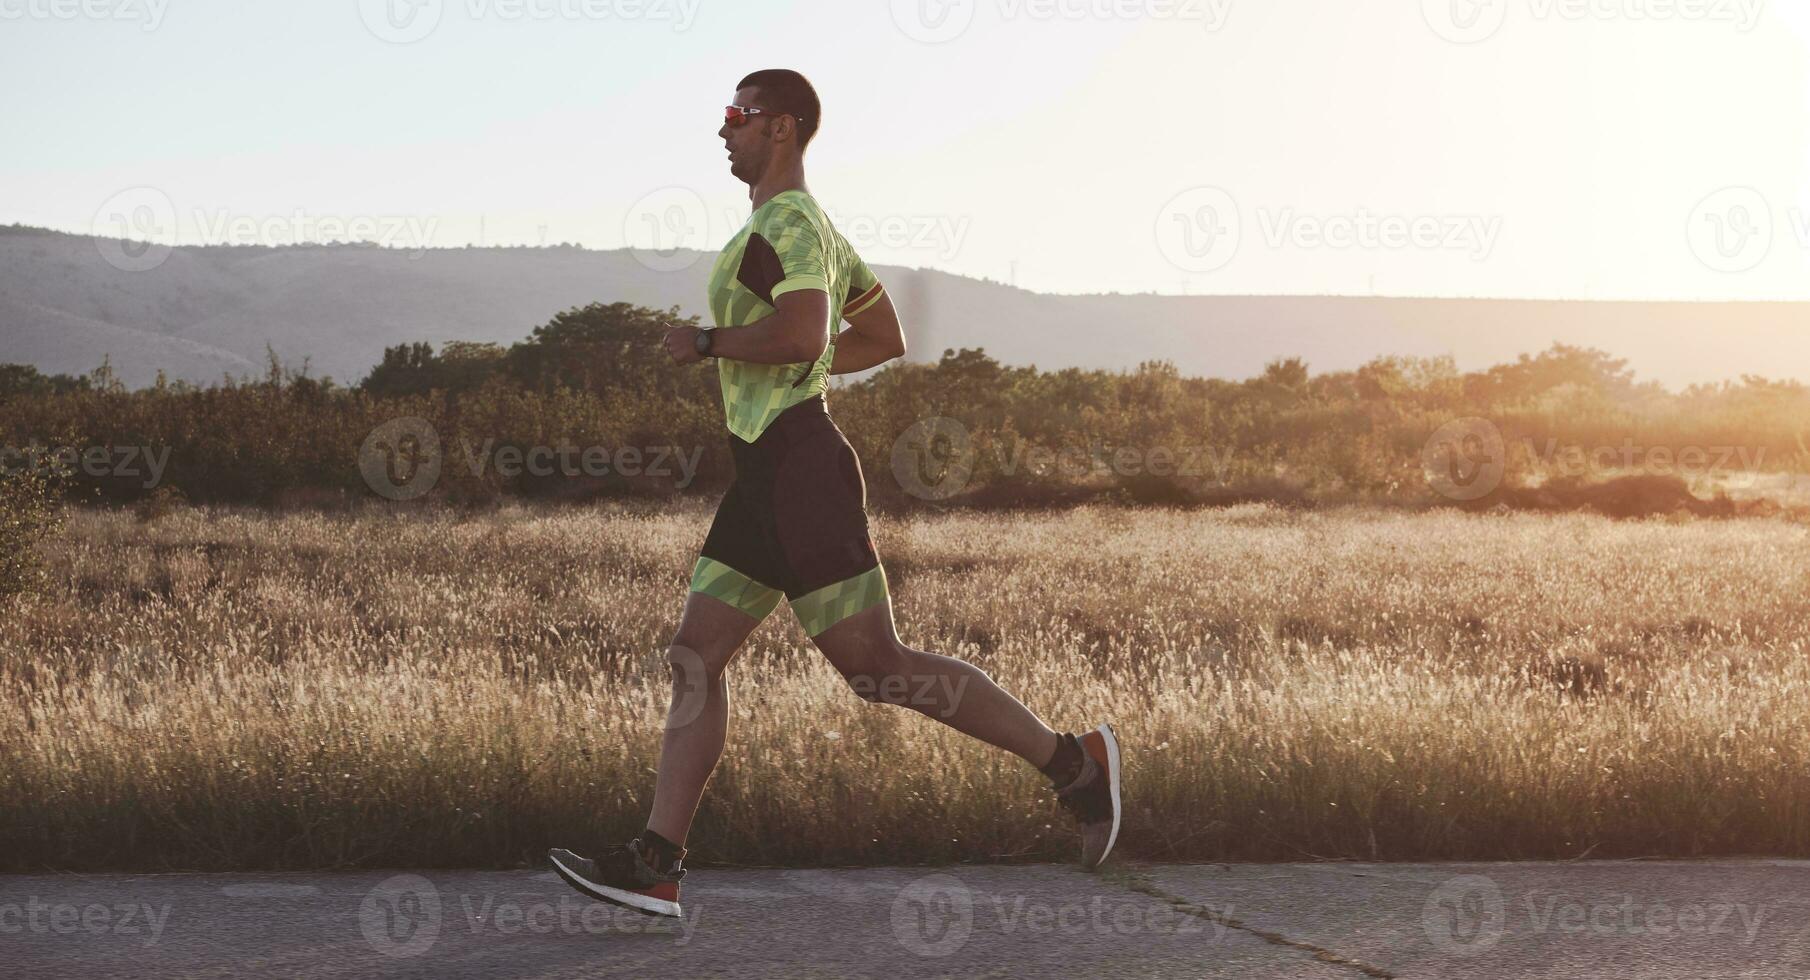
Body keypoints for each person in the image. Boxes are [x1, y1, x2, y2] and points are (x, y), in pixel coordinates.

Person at [549, 69, 1121, 919]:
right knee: (695, 660)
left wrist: (707, 341)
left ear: (780, 127)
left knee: (879, 671)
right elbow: (879, 336)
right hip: (764, 473)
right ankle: (657, 863)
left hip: (799, 470)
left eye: (735, 116)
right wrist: (796, 356)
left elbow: (805, 333)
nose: (723, 132)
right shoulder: (805, 227)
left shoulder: (788, 222)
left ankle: (1076, 766)